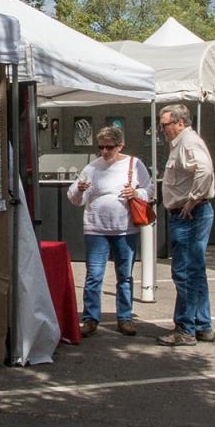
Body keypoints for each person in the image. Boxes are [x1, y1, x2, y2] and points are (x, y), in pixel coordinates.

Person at [68, 127, 153, 337]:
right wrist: (79, 189)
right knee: (94, 275)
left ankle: (125, 317)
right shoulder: (92, 168)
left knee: (124, 276)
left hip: (125, 229)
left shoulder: (134, 164)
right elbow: (75, 199)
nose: (104, 151)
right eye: (101, 147)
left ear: (120, 146)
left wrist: (137, 192)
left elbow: (150, 191)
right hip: (96, 228)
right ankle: (90, 318)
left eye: (109, 147)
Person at [156, 104, 215, 346]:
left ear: (179, 123)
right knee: (194, 271)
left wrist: (193, 199)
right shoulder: (183, 142)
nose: (162, 129)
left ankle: (186, 328)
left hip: (189, 215)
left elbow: (205, 170)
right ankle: (202, 325)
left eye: (165, 124)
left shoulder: (188, 142)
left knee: (185, 272)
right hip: (190, 213)